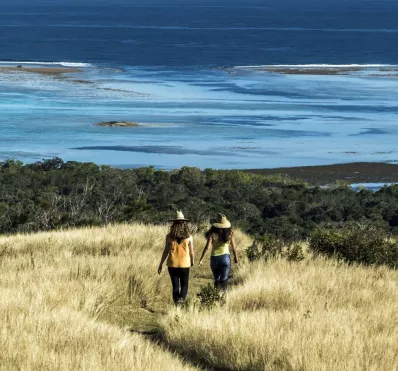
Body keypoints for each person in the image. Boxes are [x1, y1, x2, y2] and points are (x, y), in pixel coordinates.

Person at [158, 211, 194, 304]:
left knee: (175, 286)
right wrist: (192, 261)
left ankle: (176, 304)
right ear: (184, 223)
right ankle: (181, 302)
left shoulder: (169, 236)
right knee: (184, 285)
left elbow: (165, 251)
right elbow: (192, 252)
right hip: (185, 264)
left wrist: (161, 264)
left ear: (173, 223)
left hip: (172, 264)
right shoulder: (189, 236)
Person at [198, 213, 238, 295]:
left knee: (217, 279)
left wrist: (201, 259)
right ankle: (223, 297)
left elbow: (207, 248)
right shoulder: (230, 234)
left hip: (214, 258)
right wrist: (235, 257)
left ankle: (215, 296)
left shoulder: (212, 234)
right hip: (225, 258)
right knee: (224, 279)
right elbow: (234, 248)